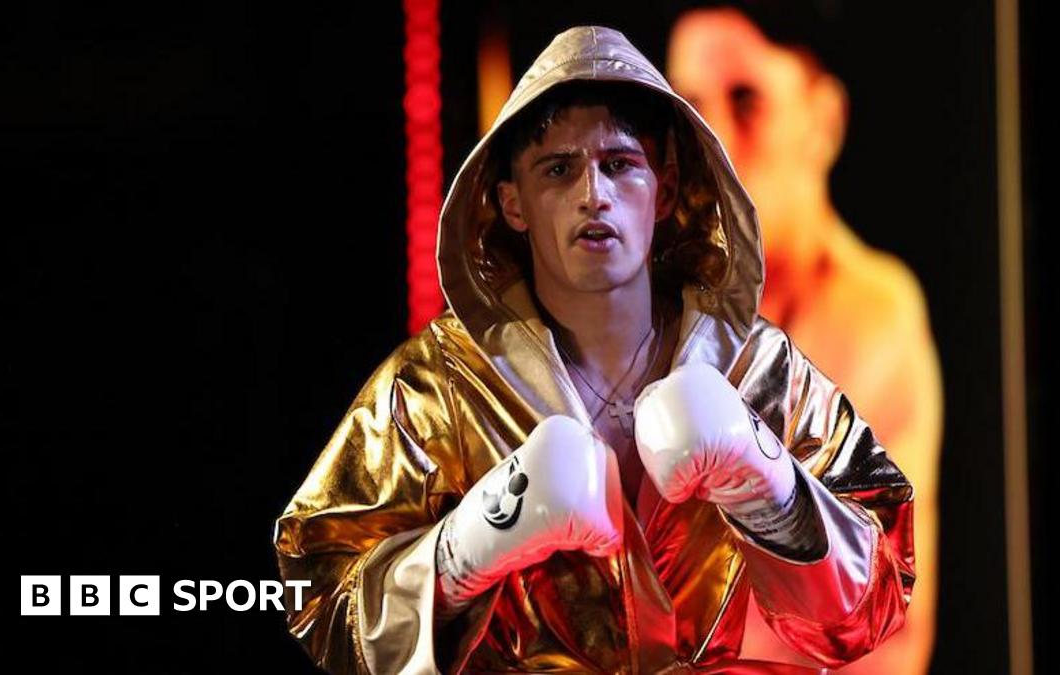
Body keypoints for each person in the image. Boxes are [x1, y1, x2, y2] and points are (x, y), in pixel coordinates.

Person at [273, 26, 915, 674]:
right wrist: (468, 546)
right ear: (511, 202)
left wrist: (768, 479)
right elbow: (318, 593)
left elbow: (878, 595)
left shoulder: (753, 368)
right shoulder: (439, 385)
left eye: (618, 164)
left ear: (663, 187)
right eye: (559, 169)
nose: (593, 195)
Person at [668, 8, 943, 673]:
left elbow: (880, 627)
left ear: (823, 120)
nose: (716, 142)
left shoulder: (871, 314)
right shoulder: (654, 304)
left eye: (746, 101)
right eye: (690, 107)